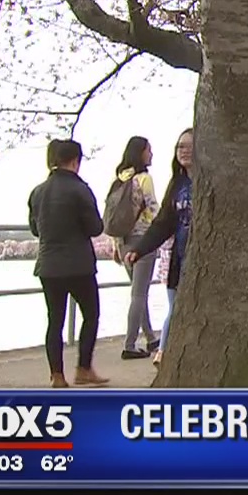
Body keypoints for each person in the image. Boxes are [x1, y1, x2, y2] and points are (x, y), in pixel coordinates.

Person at [28, 138, 109, 388]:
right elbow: (96, 227)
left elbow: (34, 229)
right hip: (78, 264)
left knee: (55, 320)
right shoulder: (80, 189)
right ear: (75, 161)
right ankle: (84, 368)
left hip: (49, 264)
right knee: (91, 314)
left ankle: (57, 375)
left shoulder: (38, 192)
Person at [124, 128, 194, 369]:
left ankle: (165, 351)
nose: (184, 151)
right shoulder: (177, 185)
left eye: (189, 146)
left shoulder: (209, 183)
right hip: (180, 256)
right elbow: (163, 222)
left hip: (203, 262)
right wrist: (140, 249)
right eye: (180, 146)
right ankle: (164, 351)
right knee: (174, 307)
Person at [108, 136, 161, 360]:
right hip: (143, 241)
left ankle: (150, 338)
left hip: (123, 242)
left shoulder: (119, 180)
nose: (151, 154)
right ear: (141, 153)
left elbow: (114, 216)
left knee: (138, 292)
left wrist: (115, 245)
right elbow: (153, 208)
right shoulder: (144, 179)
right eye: (149, 150)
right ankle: (129, 344)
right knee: (139, 294)